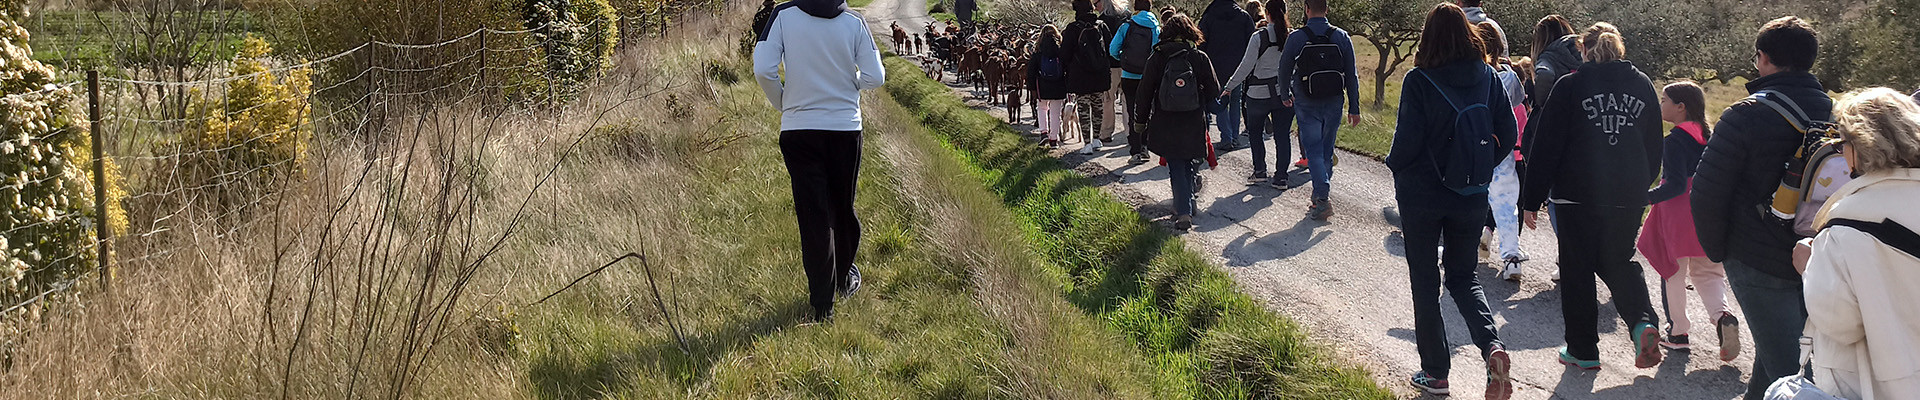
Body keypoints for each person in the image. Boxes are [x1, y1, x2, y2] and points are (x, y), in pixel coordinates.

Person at [1689, 17, 1830, 399]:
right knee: (1776, 356)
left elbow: (1705, 192)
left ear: (1763, 59)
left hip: (1756, 256)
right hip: (1817, 253)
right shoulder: (1838, 115)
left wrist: (1719, 251)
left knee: (1792, 375)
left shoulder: (1744, 114)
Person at [1519, 22, 1667, 371]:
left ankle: (1584, 351)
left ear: (1583, 49)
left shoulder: (1570, 86)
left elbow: (1547, 146)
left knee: (1577, 270)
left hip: (1575, 196)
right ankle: (1643, 323)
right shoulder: (1643, 84)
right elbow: (1654, 145)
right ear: (1620, 49)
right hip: (1627, 195)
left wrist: (1531, 199)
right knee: (1619, 260)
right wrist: (1640, 184)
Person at [1385, 4, 1516, 398]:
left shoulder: (1419, 80)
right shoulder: (1489, 77)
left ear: (1428, 37)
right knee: (1463, 276)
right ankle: (1492, 345)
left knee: (1425, 281)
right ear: (1468, 34)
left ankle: (1436, 373)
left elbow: (1406, 142)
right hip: (1471, 194)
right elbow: (1507, 135)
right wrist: (1478, 166)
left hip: (1422, 195)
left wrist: (1395, 167)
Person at [752, 0, 885, 322]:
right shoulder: (854, 22)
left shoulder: (783, 15)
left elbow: (763, 69)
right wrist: (850, 82)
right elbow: (876, 76)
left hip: (799, 129)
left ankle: (822, 304)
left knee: (813, 214)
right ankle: (843, 278)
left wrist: (783, 102)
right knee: (842, 207)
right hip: (844, 128)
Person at [1803, 87, 1920, 400]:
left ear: (1860, 145)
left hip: (1875, 385)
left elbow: (1839, 323)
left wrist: (1808, 268)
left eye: (1842, 142)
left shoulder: (1845, 225)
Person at [1638, 81, 1741, 362]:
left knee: (1673, 273)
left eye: (1664, 100)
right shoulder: (1712, 136)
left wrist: (1642, 198)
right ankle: (1722, 317)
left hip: (1679, 213)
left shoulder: (1673, 142)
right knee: (1709, 272)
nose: (1661, 105)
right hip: (1710, 211)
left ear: (1680, 107)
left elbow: (1672, 186)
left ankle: (1679, 333)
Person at [1272, 0, 1361, 221]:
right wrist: (1355, 107)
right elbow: (1351, 74)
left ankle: (1322, 199)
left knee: (1313, 150)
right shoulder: (1341, 36)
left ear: (1306, 9)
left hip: (1306, 101)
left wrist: (1284, 94)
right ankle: (1318, 196)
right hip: (1334, 100)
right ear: (1327, 9)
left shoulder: (1297, 37)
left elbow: (1283, 68)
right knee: (1326, 150)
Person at [1133, 13, 1220, 232]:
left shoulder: (1158, 57)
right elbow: (1213, 90)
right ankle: (1187, 203)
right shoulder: (1199, 57)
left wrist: (1140, 122)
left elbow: (1144, 93)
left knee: (1176, 164)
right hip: (1193, 118)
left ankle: (1183, 211)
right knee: (1189, 161)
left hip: (1166, 119)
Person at [1519, 14, 1577, 282]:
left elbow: (1543, 79)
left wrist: (1542, 101)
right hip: (1585, 129)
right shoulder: (1582, 51)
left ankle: (1568, 258)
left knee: (1556, 197)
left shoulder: (1548, 59)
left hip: (1555, 131)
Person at [1221, 0, 1296, 188]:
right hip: (1284, 93)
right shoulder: (1292, 37)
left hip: (1258, 94)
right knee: (1282, 136)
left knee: (1255, 133)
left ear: (1267, 13)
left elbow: (1246, 66)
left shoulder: (1259, 37)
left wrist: (1229, 86)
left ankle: (1260, 170)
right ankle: (1281, 177)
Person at [1476, 20, 1528, 281]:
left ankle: (1460, 248)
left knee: (1469, 199)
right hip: (1503, 148)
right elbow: (1518, 102)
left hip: (1472, 148)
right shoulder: (1509, 76)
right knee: (1507, 204)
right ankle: (1512, 257)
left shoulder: (1473, 76)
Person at [1197, 0, 1254, 150]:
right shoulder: (1244, 17)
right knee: (1235, 101)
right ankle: (1234, 136)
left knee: (1220, 101)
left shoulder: (1209, 16)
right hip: (1238, 67)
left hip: (1215, 66)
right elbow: (1252, 42)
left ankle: (1226, 137)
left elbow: (1201, 42)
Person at [1111, 0, 1162, 165]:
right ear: (1150, 8)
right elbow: (1157, 51)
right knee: (1147, 110)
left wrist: (1123, 59)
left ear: (1135, 8)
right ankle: (1146, 147)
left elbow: (1113, 49)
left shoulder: (1127, 26)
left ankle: (1135, 150)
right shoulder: (1155, 27)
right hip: (1148, 76)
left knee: (1132, 112)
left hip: (1128, 75)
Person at [1065, 0, 1114, 154]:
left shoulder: (1072, 29)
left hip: (1080, 76)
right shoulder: (1101, 26)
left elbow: (1065, 54)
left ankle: (1086, 143)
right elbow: (1110, 48)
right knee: (1098, 107)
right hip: (1099, 75)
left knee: (1084, 109)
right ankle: (1097, 139)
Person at [1096, 0, 1132, 147]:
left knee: (1108, 100)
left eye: (1096, 2)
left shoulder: (1101, 21)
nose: (1094, 5)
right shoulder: (1127, 17)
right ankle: (1130, 133)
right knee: (1127, 99)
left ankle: (1105, 133)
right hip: (1128, 64)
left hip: (1110, 66)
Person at [1030, 24, 1071, 147]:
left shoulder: (1037, 52)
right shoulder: (1061, 51)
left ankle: (1044, 133)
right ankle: (1054, 139)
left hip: (1042, 85)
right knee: (1055, 113)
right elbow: (1067, 68)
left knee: (1042, 108)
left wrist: (1032, 88)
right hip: (1058, 85)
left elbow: (1031, 72)